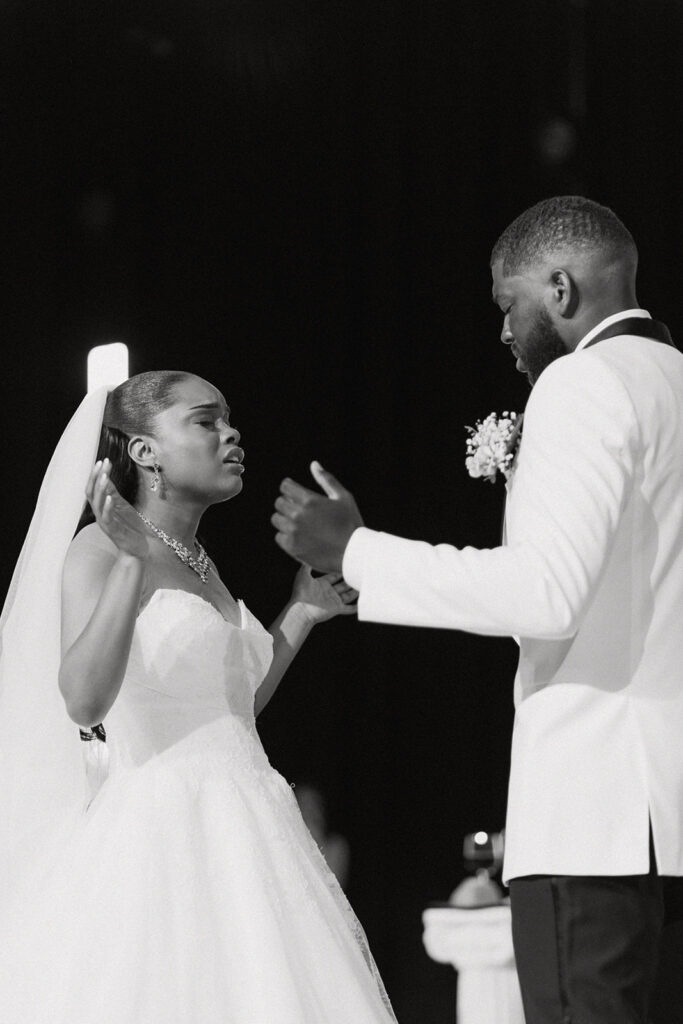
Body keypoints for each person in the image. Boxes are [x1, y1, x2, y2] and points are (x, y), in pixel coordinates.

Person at [271, 196, 683, 1024]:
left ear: (559, 290)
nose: (501, 333)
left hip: (597, 814)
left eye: (508, 305)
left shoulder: (582, 382)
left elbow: (545, 592)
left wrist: (357, 551)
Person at [0, 371, 397, 1024]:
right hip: (165, 829)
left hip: (248, 822)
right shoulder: (98, 547)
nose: (230, 433)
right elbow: (83, 699)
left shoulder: (199, 561)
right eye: (204, 421)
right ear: (144, 451)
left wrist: (299, 613)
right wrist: (129, 562)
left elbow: (229, 712)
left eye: (229, 420)